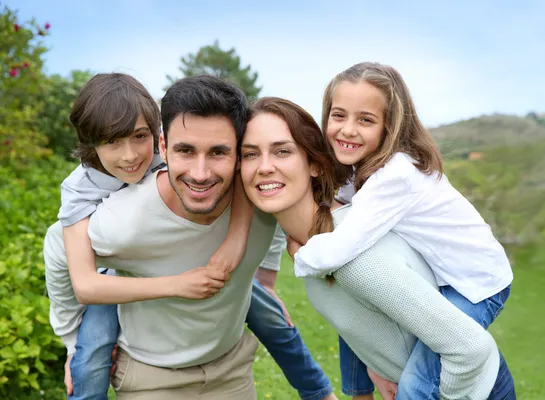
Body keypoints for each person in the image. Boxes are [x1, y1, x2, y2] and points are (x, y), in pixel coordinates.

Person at [44, 74, 335, 399]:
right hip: (137, 341)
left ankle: (319, 392)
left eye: (138, 137)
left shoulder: (256, 189)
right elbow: (68, 261)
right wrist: (71, 339)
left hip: (230, 368)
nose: (129, 156)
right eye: (111, 142)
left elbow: (272, 218)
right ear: (167, 147)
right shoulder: (100, 207)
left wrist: (260, 270)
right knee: (92, 355)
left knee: (273, 318)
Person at [239, 96, 516, 400]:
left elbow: (472, 350)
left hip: (469, 389)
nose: (264, 167)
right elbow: (362, 320)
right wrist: (373, 372)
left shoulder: (351, 254)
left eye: (282, 151)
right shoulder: (317, 245)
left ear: (316, 165)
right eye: (250, 154)